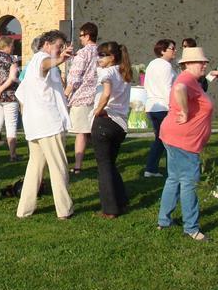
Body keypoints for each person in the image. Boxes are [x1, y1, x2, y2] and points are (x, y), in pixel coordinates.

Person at [15, 30, 74, 220]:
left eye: (62, 47)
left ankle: (24, 209)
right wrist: (60, 59)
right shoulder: (41, 59)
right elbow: (45, 65)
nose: (60, 49)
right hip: (49, 124)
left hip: (36, 124)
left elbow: (21, 93)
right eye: (58, 46)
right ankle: (64, 210)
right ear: (46, 44)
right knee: (58, 168)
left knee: (34, 168)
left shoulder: (33, 63)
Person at [157, 47, 214, 241]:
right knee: (189, 182)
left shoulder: (192, 80)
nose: (204, 65)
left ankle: (164, 220)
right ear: (187, 64)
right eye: (200, 62)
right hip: (184, 140)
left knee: (174, 178)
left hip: (174, 136)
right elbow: (179, 89)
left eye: (204, 62)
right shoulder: (187, 79)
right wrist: (184, 110)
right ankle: (191, 228)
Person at [91, 41, 133, 219]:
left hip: (105, 121)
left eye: (103, 55)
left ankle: (110, 208)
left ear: (112, 57)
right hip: (120, 124)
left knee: (104, 166)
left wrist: (98, 110)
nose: (99, 58)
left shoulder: (107, 73)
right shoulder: (124, 72)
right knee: (110, 163)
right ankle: (121, 199)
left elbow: (106, 92)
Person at [64, 22, 100, 175]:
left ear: (88, 36)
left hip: (81, 96)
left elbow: (74, 77)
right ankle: (103, 160)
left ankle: (78, 166)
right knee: (92, 132)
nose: (80, 38)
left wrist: (65, 94)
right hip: (96, 96)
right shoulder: (101, 52)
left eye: (81, 35)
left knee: (81, 133)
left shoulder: (83, 53)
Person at [142, 39, 177, 178]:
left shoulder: (152, 64)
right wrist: (174, 106)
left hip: (152, 106)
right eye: (172, 48)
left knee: (160, 139)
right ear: (163, 51)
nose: (175, 51)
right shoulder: (166, 66)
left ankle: (151, 168)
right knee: (170, 140)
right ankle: (171, 170)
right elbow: (167, 88)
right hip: (164, 106)